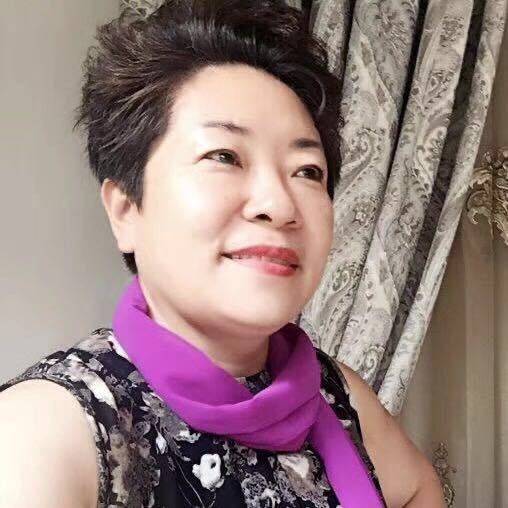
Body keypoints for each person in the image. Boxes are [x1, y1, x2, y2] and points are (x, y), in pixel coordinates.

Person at [0, 1, 445, 507]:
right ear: (125, 209)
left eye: (307, 171)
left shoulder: (333, 392)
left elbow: (418, 487)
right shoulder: (45, 432)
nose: (279, 205)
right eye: (224, 156)